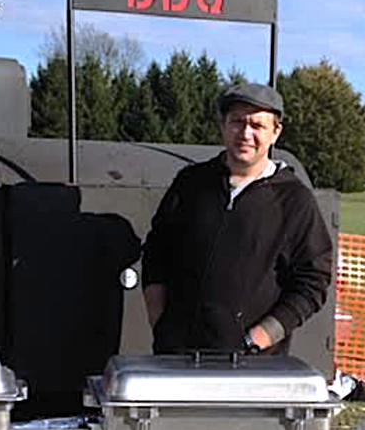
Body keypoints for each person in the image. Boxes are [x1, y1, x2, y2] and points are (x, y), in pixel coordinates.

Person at [142, 81, 334, 355]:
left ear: (275, 132)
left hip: (250, 366)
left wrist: (258, 339)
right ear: (223, 125)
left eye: (257, 125)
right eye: (237, 122)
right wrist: (159, 323)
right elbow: (156, 254)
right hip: (176, 357)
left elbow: (312, 283)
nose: (245, 133)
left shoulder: (294, 200)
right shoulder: (190, 184)